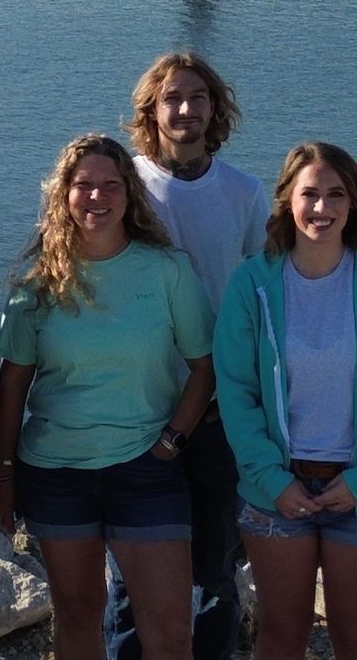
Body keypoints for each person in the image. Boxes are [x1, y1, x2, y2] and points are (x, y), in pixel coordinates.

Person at [0, 134, 213, 660]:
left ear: (130, 195)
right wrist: (2, 472)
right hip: (55, 472)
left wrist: (171, 442)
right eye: (83, 185)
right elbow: (12, 383)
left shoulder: (167, 270)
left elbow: (205, 369)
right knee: (77, 614)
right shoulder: (37, 281)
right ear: (62, 195)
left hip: (147, 471)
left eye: (111, 185)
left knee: (170, 633)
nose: (97, 197)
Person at [214, 142, 357, 660]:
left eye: (336, 195)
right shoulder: (252, 282)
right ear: (287, 200)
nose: (321, 208)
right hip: (277, 494)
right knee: (281, 637)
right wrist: (271, 480)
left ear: (353, 203)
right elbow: (235, 391)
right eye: (310, 194)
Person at [117, 51, 268, 660]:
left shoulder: (244, 193)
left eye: (197, 97)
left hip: (217, 413)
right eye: (172, 98)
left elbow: (264, 295)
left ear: (215, 108)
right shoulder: (120, 187)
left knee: (214, 571)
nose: (185, 109)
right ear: (150, 110)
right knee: (130, 575)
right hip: (136, 408)